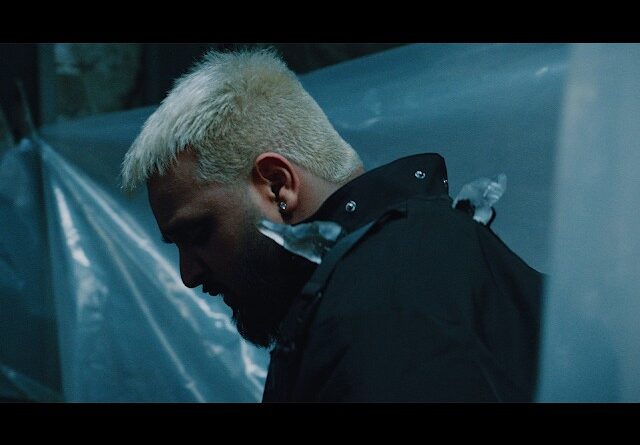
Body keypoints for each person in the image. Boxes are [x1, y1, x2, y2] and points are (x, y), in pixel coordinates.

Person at [120, 48, 543, 402]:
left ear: (278, 185)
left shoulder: (382, 300)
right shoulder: (416, 261)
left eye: (198, 234)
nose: (189, 275)